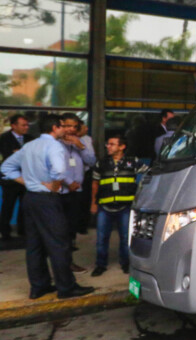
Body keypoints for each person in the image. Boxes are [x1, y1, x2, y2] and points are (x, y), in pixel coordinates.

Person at [1, 114, 94, 299]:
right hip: (47, 201)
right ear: (55, 128)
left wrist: (27, 182)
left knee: (34, 246)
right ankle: (66, 288)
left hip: (30, 199)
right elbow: (59, 170)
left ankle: (39, 287)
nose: (65, 129)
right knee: (59, 244)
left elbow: (6, 167)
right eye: (62, 126)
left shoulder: (30, 145)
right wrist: (55, 184)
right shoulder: (54, 146)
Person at [90, 135, 138, 277]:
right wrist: (93, 203)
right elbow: (95, 184)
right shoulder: (101, 163)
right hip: (105, 207)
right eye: (107, 144)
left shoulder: (133, 162)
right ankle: (100, 265)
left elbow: (149, 176)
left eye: (112, 144)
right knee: (101, 237)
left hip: (125, 206)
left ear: (122, 147)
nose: (108, 146)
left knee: (125, 237)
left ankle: (125, 263)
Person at [59, 113, 96, 273]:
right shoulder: (55, 142)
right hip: (60, 191)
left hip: (78, 190)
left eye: (74, 126)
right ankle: (61, 262)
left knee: (72, 228)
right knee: (60, 230)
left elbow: (92, 161)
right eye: (67, 126)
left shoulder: (85, 140)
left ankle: (68, 261)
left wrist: (80, 146)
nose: (71, 129)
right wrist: (68, 182)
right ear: (61, 125)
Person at [0, 114, 34, 240]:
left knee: (25, 206)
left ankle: (23, 230)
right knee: (8, 205)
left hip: (26, 178)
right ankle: (5, 232)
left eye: (27, 125)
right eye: (23, 125)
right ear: (13, 126)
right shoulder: (4, 138)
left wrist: (18, 153)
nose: (26, 127)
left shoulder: (30, 139)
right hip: (10, 179)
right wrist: (22, 154)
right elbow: (9, 157)